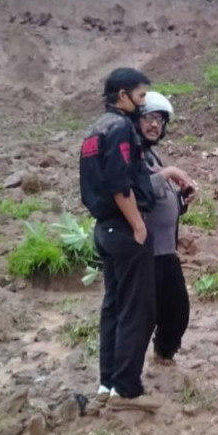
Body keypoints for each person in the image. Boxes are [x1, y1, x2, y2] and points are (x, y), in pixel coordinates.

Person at [79, 68, 184, 412]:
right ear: (123, 95)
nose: (142, 108)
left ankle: (107, 384)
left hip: (105, 227)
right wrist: (138, 225)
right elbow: (119, 182)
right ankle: (126, 389)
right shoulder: (121, 127)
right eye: (140, 98)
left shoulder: (97, 128)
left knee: (115, 307)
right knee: (136, 312)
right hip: (124, 230)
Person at [136, 91, 193, 367]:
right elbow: (137, 193)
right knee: (143, 316)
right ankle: (127, 377)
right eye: (148, 117)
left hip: (165, 251)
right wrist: (169, 174)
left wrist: (182, 200)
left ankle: (162, 356)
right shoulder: (133, 156)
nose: (154, 124)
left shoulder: (152, 157)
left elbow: (160, 203)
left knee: (177, 310)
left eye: (159, 119)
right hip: (146, 253)